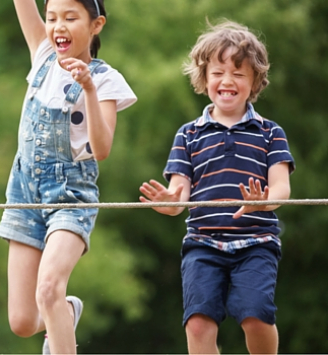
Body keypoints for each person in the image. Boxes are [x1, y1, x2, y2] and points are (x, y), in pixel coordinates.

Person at [139, 20, 294, 354]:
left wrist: (264, 202)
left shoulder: (270, 133)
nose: (227, 81)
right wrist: (168, 201)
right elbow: (178, 198)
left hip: (256, 243)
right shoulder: (188, 134)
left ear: (254, 81)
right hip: (202, 244)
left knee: (256, 317)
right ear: (204, 78)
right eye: (218, 73)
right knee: (198, 323)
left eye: (239, 74)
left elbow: (282, 189)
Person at [0, 0, 137, 353]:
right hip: (25, 195)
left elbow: (101, 148)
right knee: (23, 321)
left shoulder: (106, 80)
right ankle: (66, 312)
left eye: (70, 18)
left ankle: (59, 314)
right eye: (52, 18)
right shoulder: (42, 56)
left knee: (48, 289)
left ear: (96, 25)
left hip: (70, 197)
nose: (58, 26)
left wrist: (88, 88)